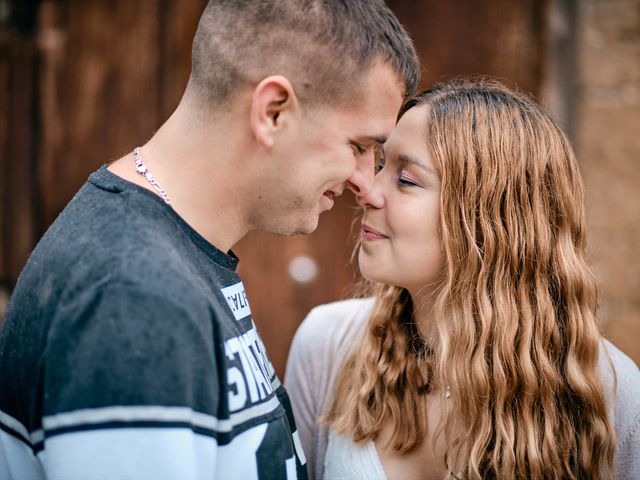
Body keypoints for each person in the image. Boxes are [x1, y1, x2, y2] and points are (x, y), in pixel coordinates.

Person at [0, 1, 419, 478]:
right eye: (359, 147)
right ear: (273, 111)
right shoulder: (131, 295)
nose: (365, 182)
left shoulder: (173, 258)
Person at [285, 81, 640, 480]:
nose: (366, 189)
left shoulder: (603, 391)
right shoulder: (329, 346)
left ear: (489, 222)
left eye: (406, 179)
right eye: (383, 165)